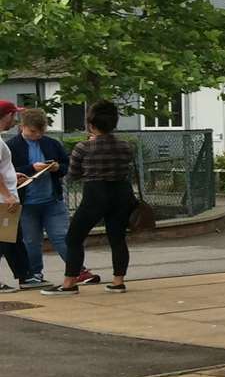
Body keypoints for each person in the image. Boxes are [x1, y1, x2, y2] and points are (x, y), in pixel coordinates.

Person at [42, 101, 137, 294]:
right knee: (117, 238)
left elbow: (73, 174)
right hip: (122, 193)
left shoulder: (83, 147)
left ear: (91, 125)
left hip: (95, 193)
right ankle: (118, 281)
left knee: (74, 238)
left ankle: (69, 283)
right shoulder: (126, 146)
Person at [5, 106, 95, 288]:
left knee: (62, 236)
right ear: (22, 126)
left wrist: (56, 168)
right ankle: (34, 273)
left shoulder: (51, 144)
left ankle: (77, 270)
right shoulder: (12, 146)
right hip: (27, 202)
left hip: (51, 200)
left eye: (41, 131)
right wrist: (31, 168)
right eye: (33, 131)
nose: (37, 135)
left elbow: (67, 165)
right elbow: (7, 172)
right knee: (31, 240)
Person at [0, 100, 21, 291]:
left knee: (5, 240)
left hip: (4, 196)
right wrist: (7, 195)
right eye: (13, 115)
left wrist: (13, 177)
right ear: (6, 116)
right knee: (4, 239)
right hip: (3, 201)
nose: (15, 119)